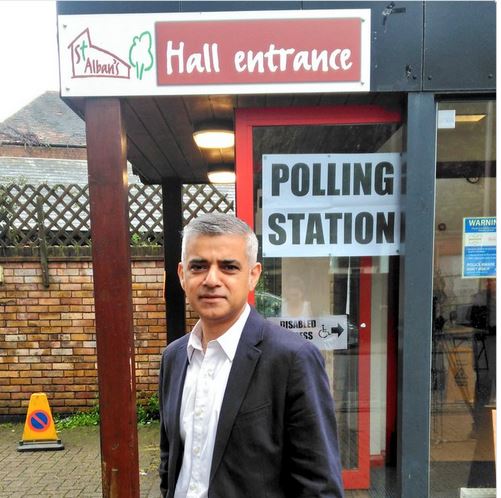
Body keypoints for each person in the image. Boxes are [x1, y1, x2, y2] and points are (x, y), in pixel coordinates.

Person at [158, 213, 344, 498]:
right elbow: (170, 459)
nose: (212, 279)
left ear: (253, 275)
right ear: (183, 275)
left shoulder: (292, 359)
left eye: (229, 267)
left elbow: (319, 486)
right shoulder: (174, 358)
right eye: (199, 266)